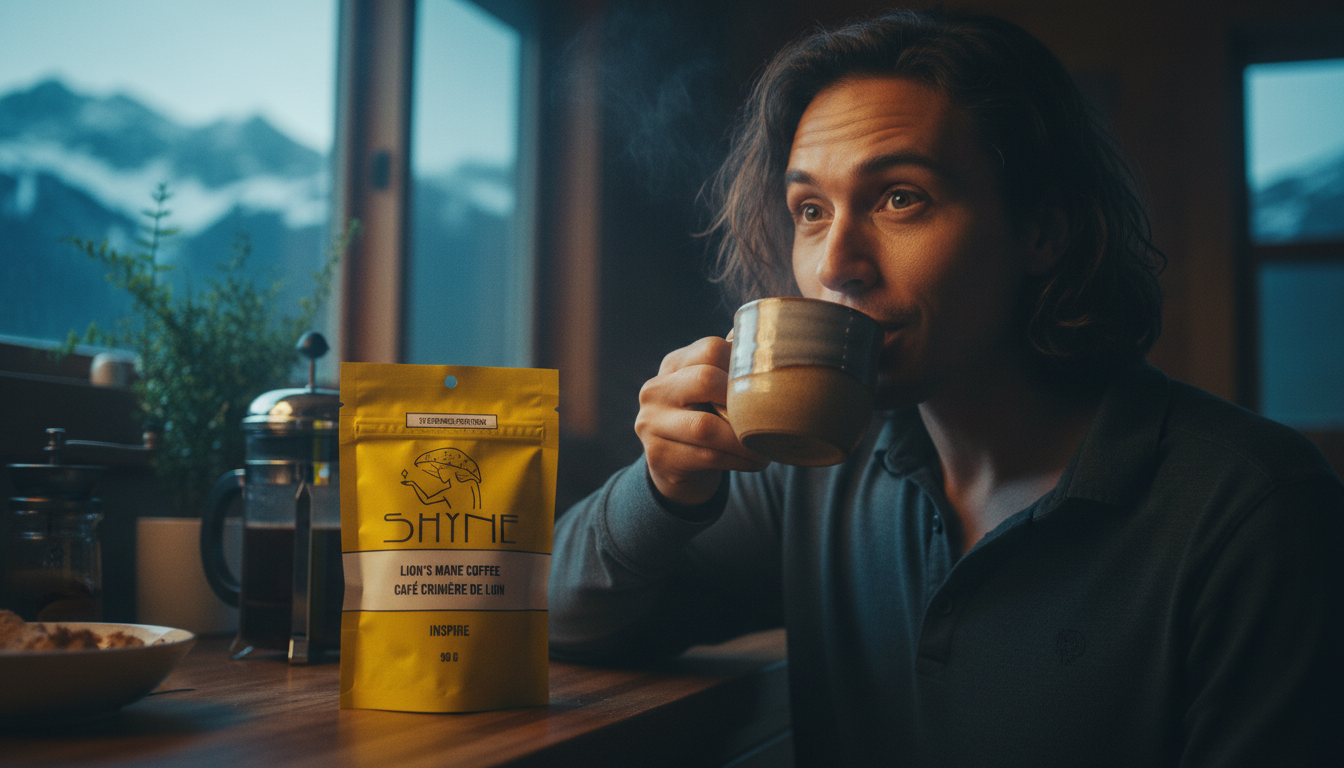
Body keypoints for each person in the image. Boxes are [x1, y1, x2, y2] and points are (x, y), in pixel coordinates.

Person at [548, 8, 1344, 766]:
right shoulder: (813, 475)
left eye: (901, 198)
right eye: (811, 210)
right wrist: (663, 489)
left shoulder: (1251, 510)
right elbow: (558, 617)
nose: (835, 265)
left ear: (1043, 231)